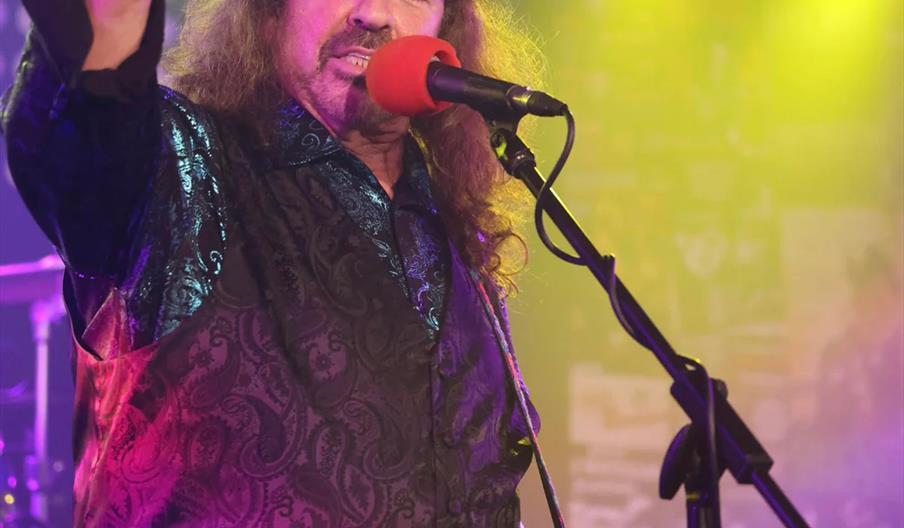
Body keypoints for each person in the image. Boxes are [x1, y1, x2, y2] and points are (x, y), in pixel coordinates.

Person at [1, 0, 545, 526]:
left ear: (444, 31)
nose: (374, 13)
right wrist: (107, 28)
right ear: (268, 11)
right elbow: (88, 136)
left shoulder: (452, 224)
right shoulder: (183, 170)